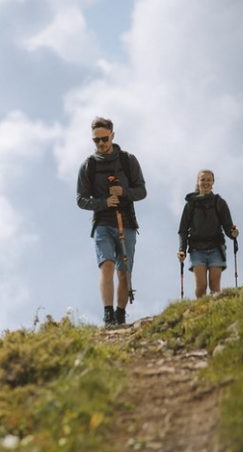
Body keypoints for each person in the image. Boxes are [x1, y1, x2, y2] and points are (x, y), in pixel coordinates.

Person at [77, 117, 147, 327]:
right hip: (102, 224)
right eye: (96, 140)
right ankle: (108, 314)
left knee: (124, 271)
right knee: (106, 265)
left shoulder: (128, 160)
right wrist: (104, 202)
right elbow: (81, 200)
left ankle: (120, 313)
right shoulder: (88, 166)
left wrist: (124, 192)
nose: (100, 144)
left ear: (112, 136)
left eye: (104, 139)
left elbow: (142, 191)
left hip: (127, 224)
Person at [177, 169, 239, 297]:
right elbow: (183, 230)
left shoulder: (219, 202)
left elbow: (228, 226)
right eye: (203, 179)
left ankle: (214, 314)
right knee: (201, 287)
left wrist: (233, 233)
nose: (206, 182)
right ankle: (200, 313)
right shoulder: (190, 204)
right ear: (198, 182)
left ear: (213, 182)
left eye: (209, 180)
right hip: (196, 250)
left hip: (216, 249)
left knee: (214, 287)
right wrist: (182, 249)